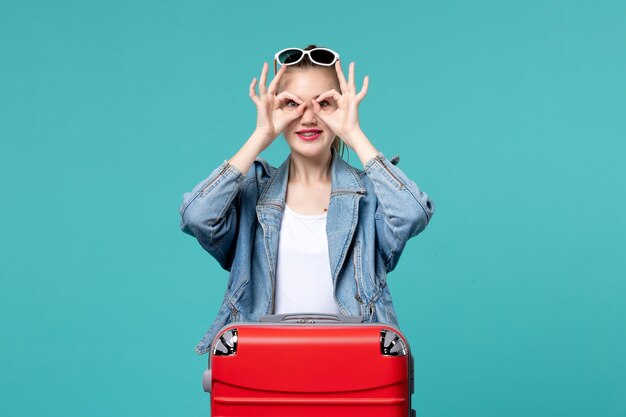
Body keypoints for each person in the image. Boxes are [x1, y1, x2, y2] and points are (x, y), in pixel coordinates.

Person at [179, 45, 435, 356]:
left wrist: (353, 133)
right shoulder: (253, 192)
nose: (309, 117)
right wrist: (261, 134)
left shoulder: (369, 197)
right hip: (263, 371)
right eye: (292, 104)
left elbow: (412, 214)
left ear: (341, 107)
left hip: (355, 373)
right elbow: (198, 216)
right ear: (275, 108)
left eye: (324, 103)